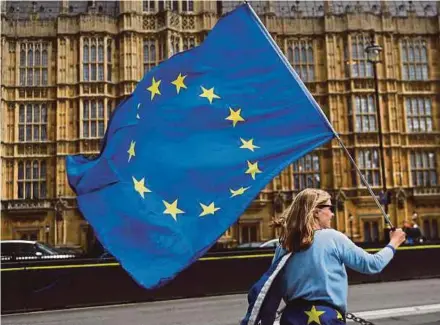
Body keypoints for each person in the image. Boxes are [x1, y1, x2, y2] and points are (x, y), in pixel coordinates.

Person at [273, 188, 406, 325]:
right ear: (316, 212)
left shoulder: (283, 245)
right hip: (326, 318)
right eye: (330, 208)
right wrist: (394, 242)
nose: (332, 214)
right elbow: (372, 264)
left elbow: (276, 286)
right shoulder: (332, 238)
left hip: (292, 318)